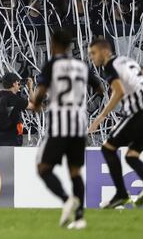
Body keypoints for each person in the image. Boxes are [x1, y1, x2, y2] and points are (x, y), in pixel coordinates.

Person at [31, 29, 103, 230]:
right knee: (75, 172)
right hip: (79, 126)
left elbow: (41, 91)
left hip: (59, 125)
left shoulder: (53, 64)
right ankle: (80, 218)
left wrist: (37, 104)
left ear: (55, 45)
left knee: (43, 168)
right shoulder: (82, 66)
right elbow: (100, 89)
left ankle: (66, 199)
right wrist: (88, 105)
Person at [88, 37, 143, 209]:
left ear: (105, 52)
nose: (92, 57)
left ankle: (121, 194)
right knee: (131, 156)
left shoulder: (110, 65)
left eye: (93, 53)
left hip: (139, 113)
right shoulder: (128, 61)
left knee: (107, 148)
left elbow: (119, 91)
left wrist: (101, 117)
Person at [0, 72, 34, 146]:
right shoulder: (15, 99)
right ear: (14, 84)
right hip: (12, 140)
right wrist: (30, 88)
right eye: (18, 82)